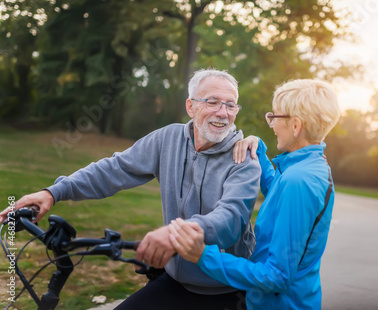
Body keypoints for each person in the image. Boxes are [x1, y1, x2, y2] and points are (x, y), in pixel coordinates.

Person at [0, 69, 261, 310]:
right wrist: (53, 192)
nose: (222, 112)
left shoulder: (244, 159)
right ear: (191, 106)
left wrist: (176, 233)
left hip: (226, 292)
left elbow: (231, 220)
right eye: (213, 102)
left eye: (230, 105)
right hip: (173, 281)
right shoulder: (167, 139)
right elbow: (115, 169)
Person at [167, 79, 341, 309]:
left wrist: (203, 256)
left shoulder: (299, 181)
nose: (271, 124)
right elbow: (276, 193)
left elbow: (276, 276)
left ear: (296, 126)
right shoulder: (311, 167)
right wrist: (257, 148)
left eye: (275, 117)